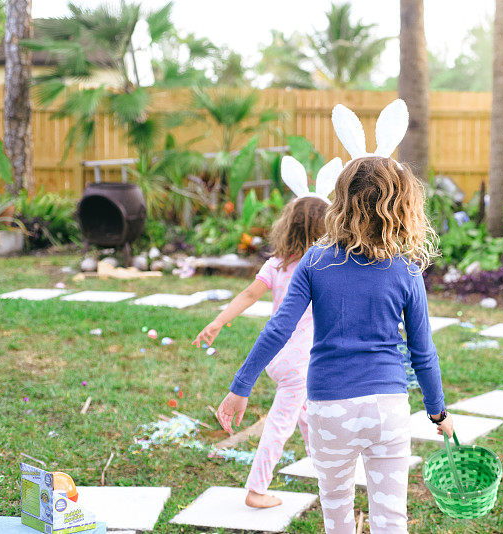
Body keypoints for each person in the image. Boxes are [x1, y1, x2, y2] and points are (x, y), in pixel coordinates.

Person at [216, 148, 454, 533]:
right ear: (401, 206)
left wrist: (240, 388)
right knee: (391, 520)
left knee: (338, 519)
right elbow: (423, 353)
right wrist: (438, 412)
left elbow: (279, 328)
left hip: (330, 409)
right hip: (387, 409)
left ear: (341, 201)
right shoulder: (407, 270)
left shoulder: (314, 260)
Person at [193, 194, 328, 508]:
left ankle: (324, 471)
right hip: (300, 360)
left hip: (277, 356)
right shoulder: (319, 267)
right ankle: (256, 489)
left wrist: (217, 321)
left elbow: (248, 294)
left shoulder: (276, 264)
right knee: (280, 425)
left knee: (307, 415)